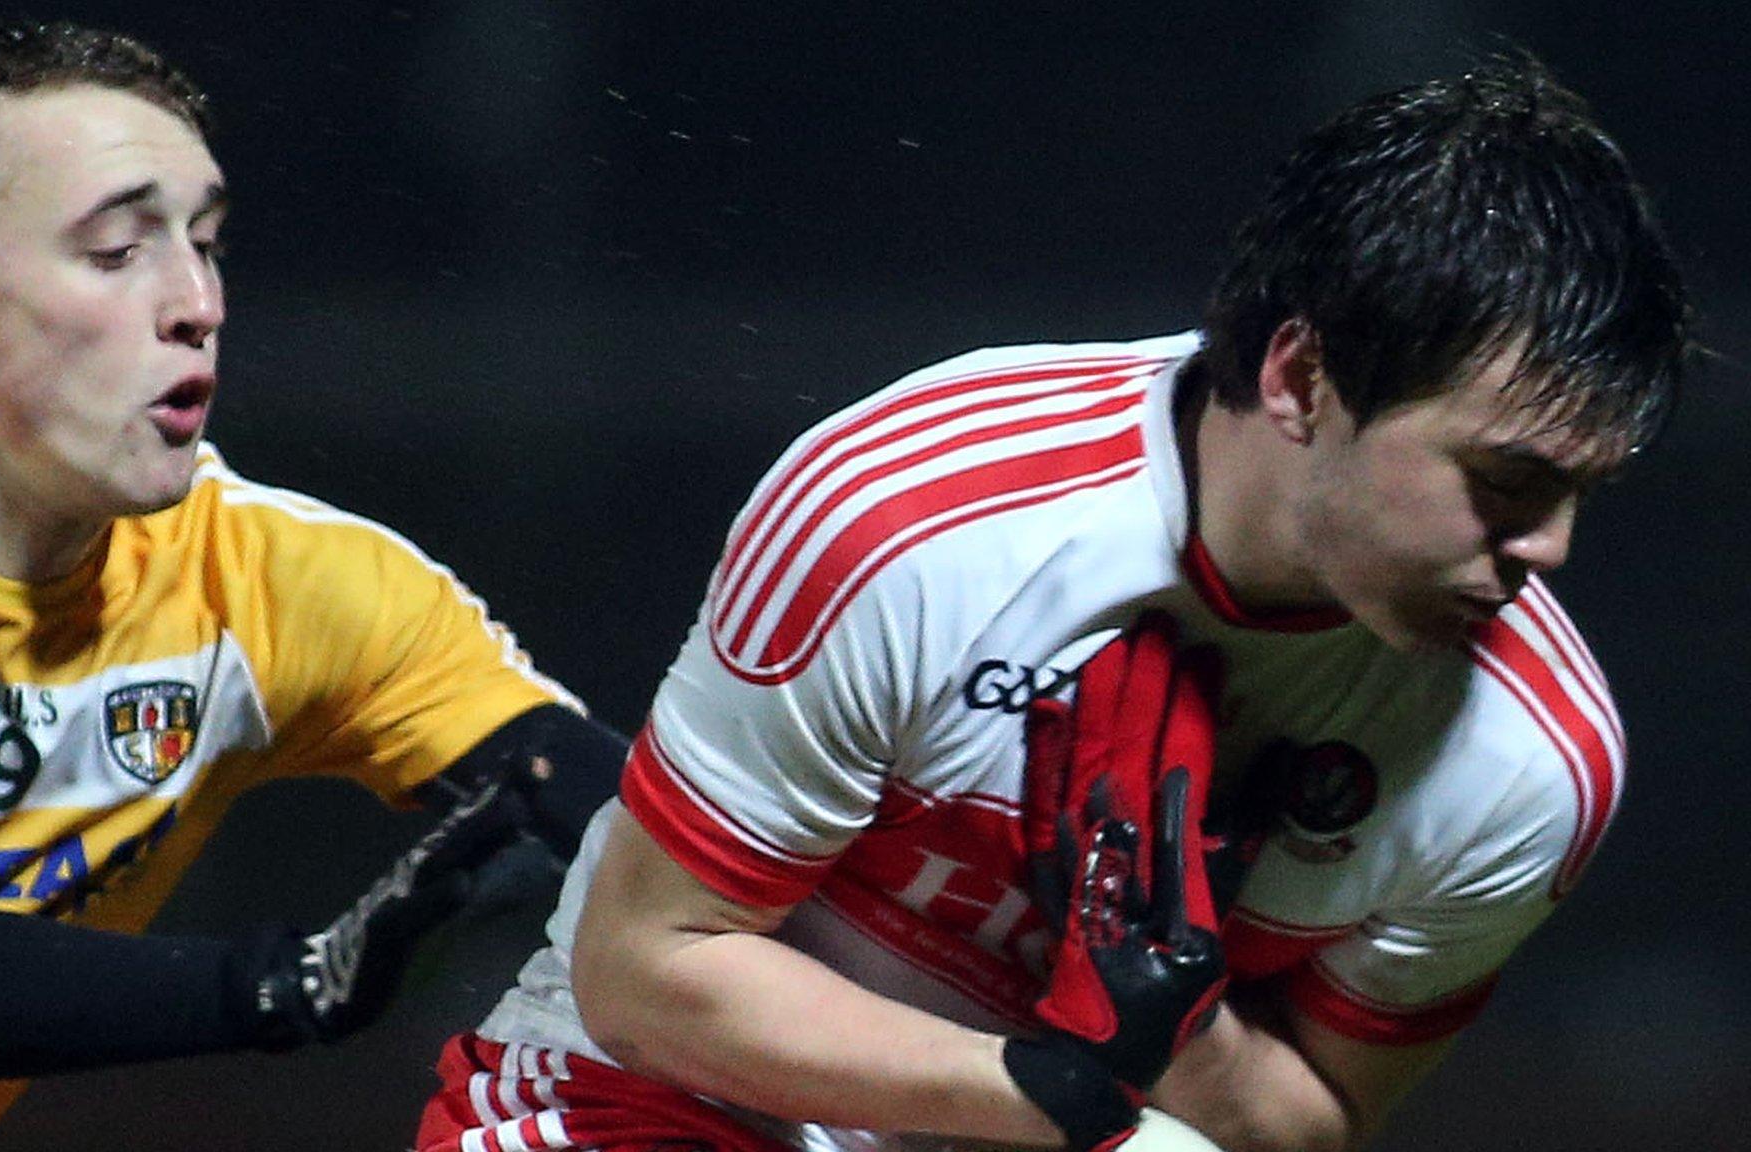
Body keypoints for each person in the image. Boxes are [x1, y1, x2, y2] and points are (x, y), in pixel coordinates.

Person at [416, 55, 1691, 1152]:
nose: (1552, 548)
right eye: (1504, 479)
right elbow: (645, 973)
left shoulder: (1534, 761)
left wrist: (1162, 1007)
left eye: (1585, 491)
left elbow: (1311, 1120)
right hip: (658, 1093)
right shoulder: (911, 517)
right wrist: (1056, 1088)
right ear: (1303, 377)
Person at [0, 16, 624, 1152]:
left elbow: (648, 840)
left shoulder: (282, 578)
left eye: (207, 242)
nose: (199, 302)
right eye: (117, 250)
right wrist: (285, 987)